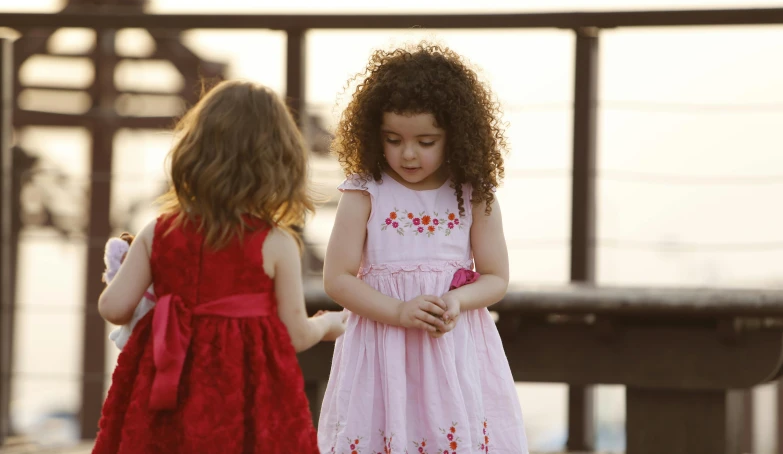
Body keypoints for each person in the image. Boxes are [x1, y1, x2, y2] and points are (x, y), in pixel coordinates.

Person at [92, 80, 347, 453]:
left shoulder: (159, 231)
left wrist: (125, 273)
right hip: (244, 397)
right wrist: (328, 323)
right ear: (278, 162)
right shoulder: (276, 243)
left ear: (193, 152)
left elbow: (113, 308)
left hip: (167, 385)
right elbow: (295, 335)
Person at [318, 42, 528, 454]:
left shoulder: (473, 195)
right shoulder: (364, 192)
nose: (408, 154)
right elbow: (336, 278)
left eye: (426, 141)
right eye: (393, 139)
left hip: (451, 348)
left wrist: (457, 301)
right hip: (381, 350)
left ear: (456, 135)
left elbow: (496, 277)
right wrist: (398, 311)